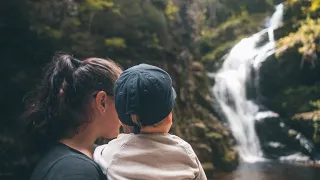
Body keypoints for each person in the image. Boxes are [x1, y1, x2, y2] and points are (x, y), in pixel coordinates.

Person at [94, 64, 207, 180]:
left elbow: (95, 154)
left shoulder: (110, 154)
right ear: (169, 117)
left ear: (121, 119)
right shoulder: (185, 151)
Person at [23, 52, 122, 180]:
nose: (127, 111)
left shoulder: (68, 159)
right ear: (101, 102)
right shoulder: (75, 170)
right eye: (122, 101)